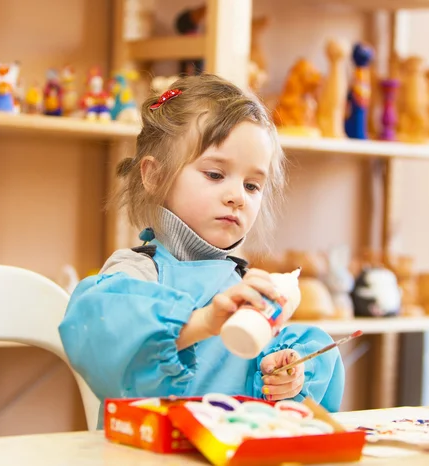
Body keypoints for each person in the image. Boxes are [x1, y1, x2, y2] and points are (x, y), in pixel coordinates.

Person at [59, 74, 345, 426]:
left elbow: (281, 385)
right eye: (214, 174)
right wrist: (205, 321)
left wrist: (287, 375)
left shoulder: (244, 285)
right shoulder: (136, 274)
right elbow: (103, 334)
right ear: (154, 176)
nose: (237, 196)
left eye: (253, 185)